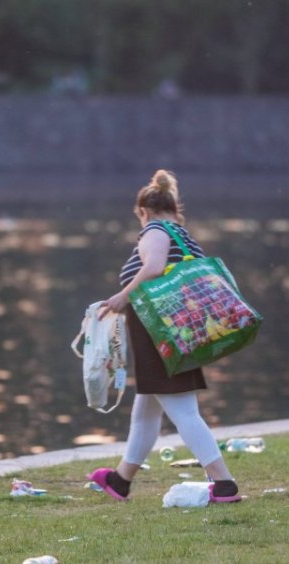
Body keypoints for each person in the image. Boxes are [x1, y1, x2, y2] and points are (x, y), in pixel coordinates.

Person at [89, 169, 241, 503]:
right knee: (146, 409)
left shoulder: (155, 231)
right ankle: (120, 480)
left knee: (183, 411)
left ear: (143, 212)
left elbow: (154, 267)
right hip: (178, 329)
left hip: (161, 332)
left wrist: (121, 297)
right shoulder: (182, 234)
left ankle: (225, 483)